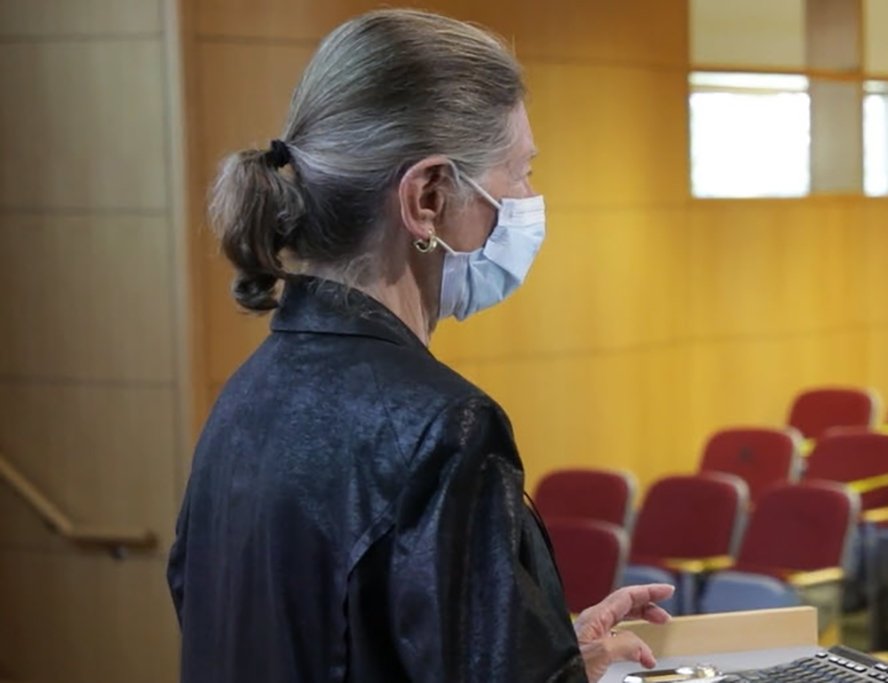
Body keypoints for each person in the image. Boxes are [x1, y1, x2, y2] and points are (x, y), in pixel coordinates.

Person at [166, 10, 670, 682]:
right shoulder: (442, 429)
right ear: (428, 197)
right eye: (516, 174)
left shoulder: (246, 398)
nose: (528, 200)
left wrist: (543, 646)